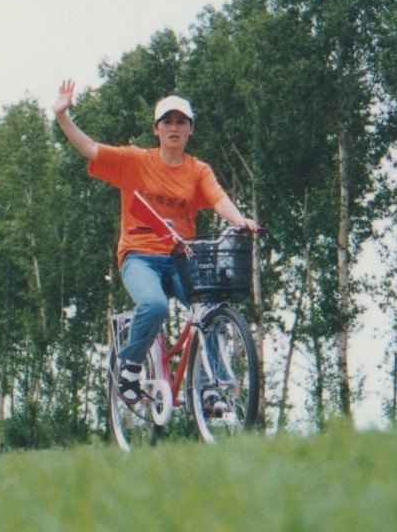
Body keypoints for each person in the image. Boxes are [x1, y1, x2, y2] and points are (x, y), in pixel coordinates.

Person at [53, 82, 258, 398]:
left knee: (210, 307)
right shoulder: (135, 161)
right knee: (154, 304)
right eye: (167, 122)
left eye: (181, 122)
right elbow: (90, 149)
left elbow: (219, 199)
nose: (174, 128)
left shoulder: (197, 171)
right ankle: (131, 366)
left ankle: (209, 387)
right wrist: (62, 115)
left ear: (190, 130)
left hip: (180, 259)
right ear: (156, 129)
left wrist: (240, 220)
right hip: (139, 256)